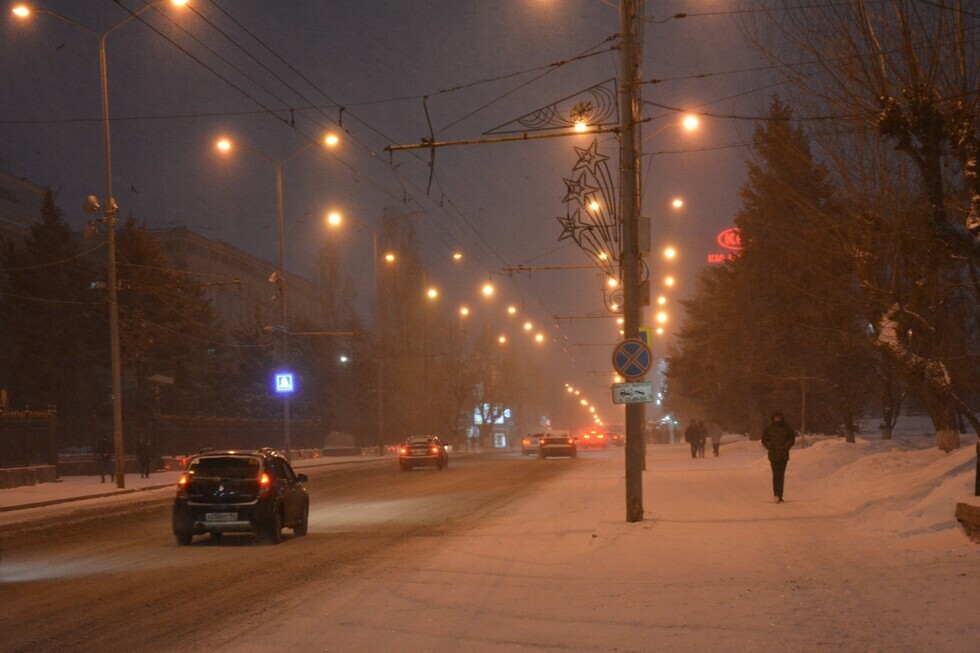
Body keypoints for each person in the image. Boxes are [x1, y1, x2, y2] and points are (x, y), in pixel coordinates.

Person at [761, 410, 796, 503]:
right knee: (775, 475)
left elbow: (791, 439)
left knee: (781, 475)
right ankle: (776, 494)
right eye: (776, 417)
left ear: (781, 418)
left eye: (779, 417)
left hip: (783, 455)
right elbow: (764, 439)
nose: (777, 419)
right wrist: (770, 447)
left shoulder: (787, 427)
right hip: (773, 455)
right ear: (773, 418)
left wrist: (785, 447)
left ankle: (780, 494)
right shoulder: (768, 428)